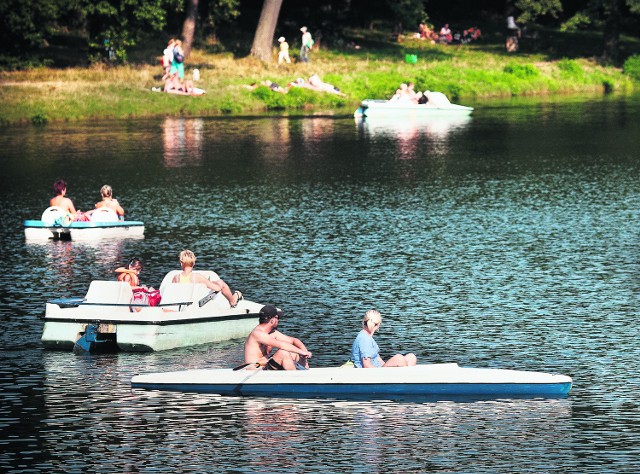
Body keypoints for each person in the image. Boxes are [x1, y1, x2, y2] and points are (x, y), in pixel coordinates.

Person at [243, 305, 312, 370]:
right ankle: (295, 379)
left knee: (295, 354)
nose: (278, 320)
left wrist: (304, 353)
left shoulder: (273, 333)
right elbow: (282, 345)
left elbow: (294, 341)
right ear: (272, 320)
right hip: (255, 367)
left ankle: (305, 373)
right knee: (283, 353)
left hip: (264, 364)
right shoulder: (257, 333)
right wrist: (303, 352)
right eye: (277, 318)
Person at [171, 250, 243, 308]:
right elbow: (217, 288)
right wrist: (213, 283)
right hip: (196, 305)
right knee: (220, 282)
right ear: (193, 263)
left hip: (182, 305)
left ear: (181, 263)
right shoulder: (197, 277)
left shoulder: (176, 278)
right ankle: (233, 301)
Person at [351, 309, 417, 368]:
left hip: (379, 369)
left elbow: (377, 358)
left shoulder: (368, 336)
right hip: (373, 373)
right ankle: (403, 379)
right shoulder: (365, 339)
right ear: (378, 325)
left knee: (411, 357)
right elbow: (366, 365)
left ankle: (405, 378)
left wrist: (386, 366)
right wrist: (382, 371)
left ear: (363, 322)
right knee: (399, 358)